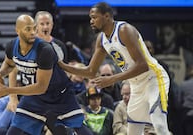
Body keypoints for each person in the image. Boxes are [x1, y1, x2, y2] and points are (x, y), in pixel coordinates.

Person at [58, 2, 171, 135]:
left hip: (153, 79)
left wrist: (112, 79)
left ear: (106, 16)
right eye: (90, 18)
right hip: (136, 85)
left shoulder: (124, 30)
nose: (91, 21)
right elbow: (90, 71)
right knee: (133, 132)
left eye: (94, 17)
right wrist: (61, 65)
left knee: (159, 124)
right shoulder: (101, 39)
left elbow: (142, 65)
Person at [0, 14, 92, 135]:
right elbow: (9, 65)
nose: (32, 32)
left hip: (58, 95)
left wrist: (7, 90)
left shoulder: (45, 50)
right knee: (14, 130)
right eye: (28, 29)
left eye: (33, 28)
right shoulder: (12, 46)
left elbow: (41, 87)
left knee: (76, 127)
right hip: (34, 96)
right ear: (17, 31)